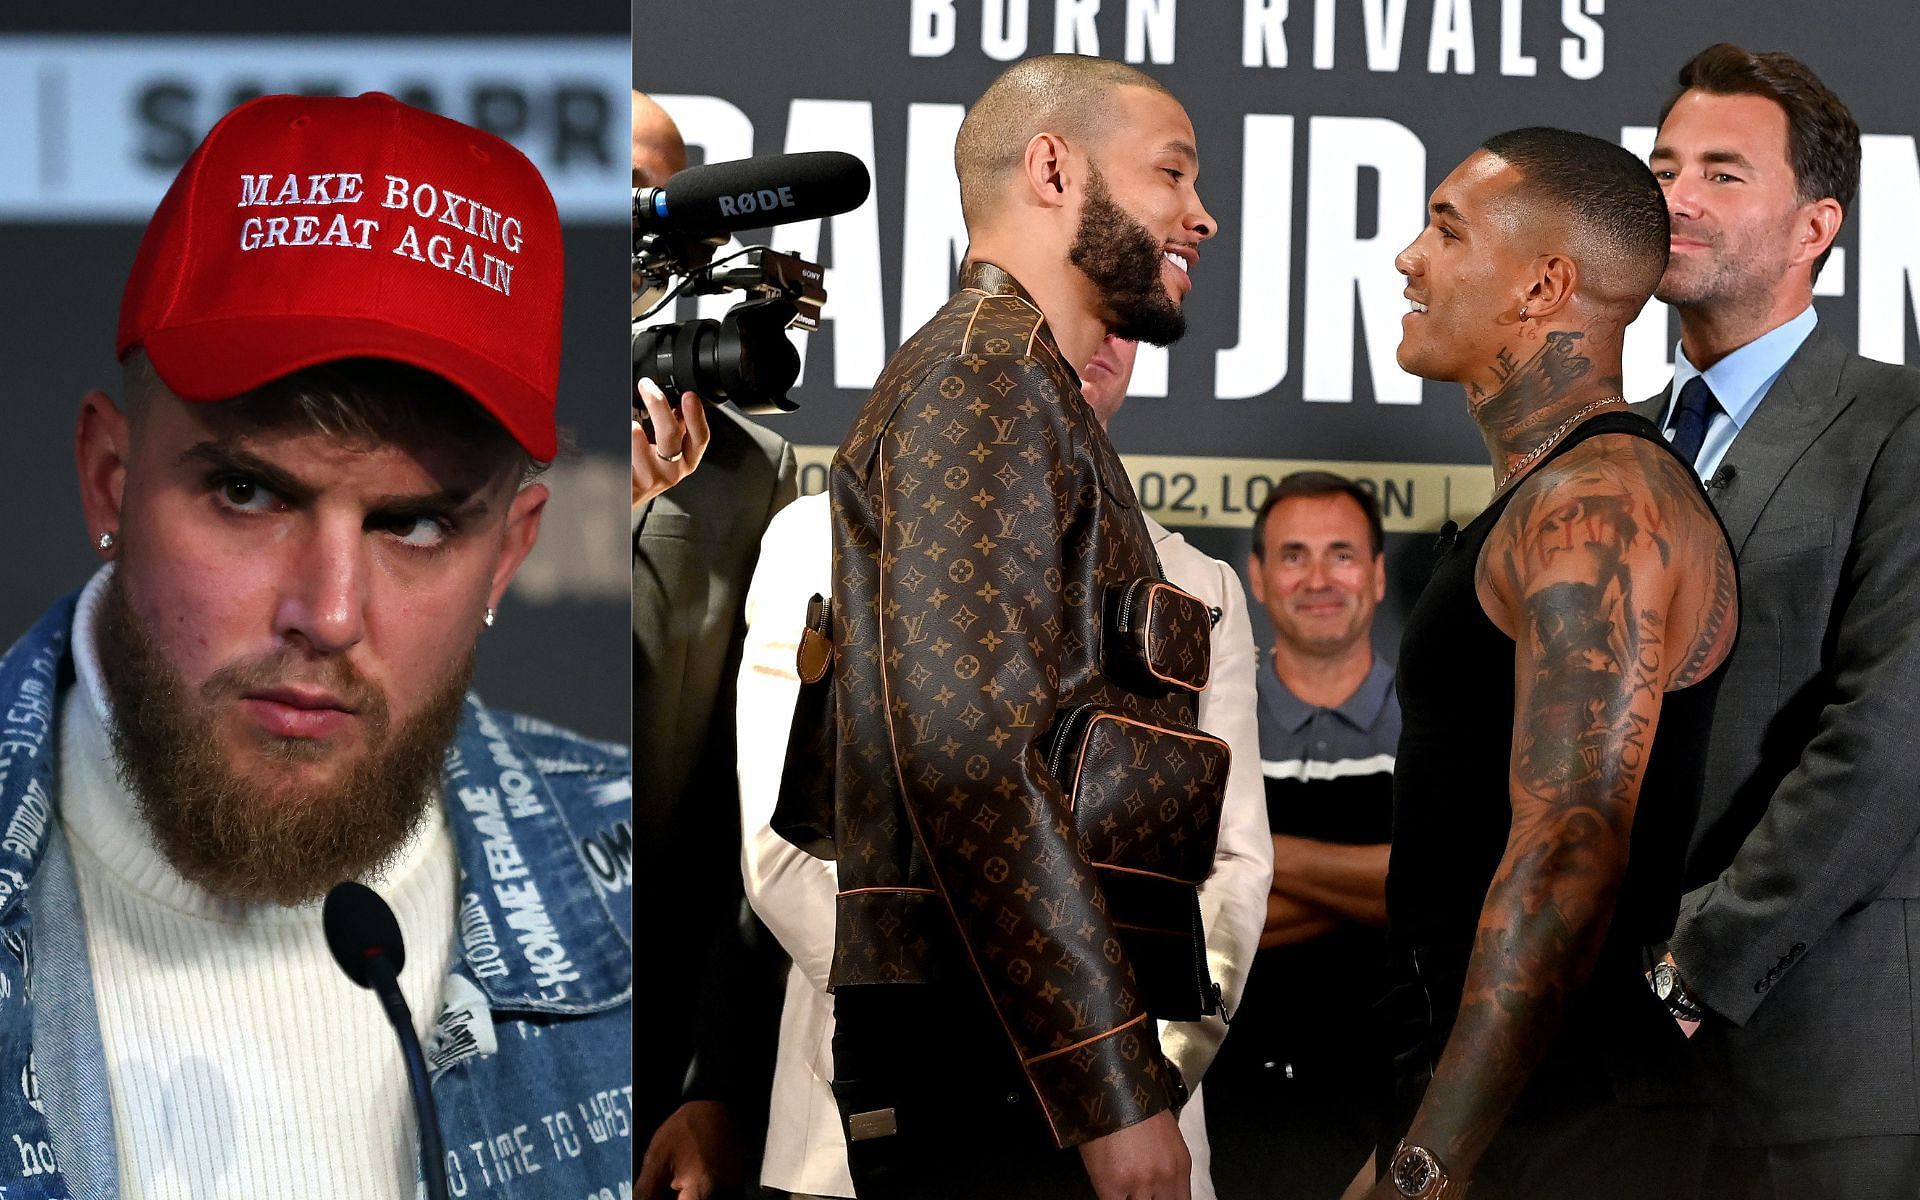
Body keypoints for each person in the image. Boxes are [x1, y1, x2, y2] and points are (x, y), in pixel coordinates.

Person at [0, 92, 632, 1199]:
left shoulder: (638, 869)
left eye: (416, 523)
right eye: (247, 493)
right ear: (111, 476)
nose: (329, 615)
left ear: (508, 554)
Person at [737, 334, 1270, 1200]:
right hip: (877, 1130)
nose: (1103, 338)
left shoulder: (1197, 581)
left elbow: (1233, 868)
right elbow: (784, 847)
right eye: (1070, 303)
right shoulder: (819, 537)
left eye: (1120, 313)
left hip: (1142, 1142)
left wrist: (1138, 1076)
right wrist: (1016, 1056)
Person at [820, 53, 1217, 1199]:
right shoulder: (984, 381)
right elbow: (971, 757)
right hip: (991, 1049)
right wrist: (1104, 1082)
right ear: (1052, 167)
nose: (1200, 213)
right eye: (1170, 173)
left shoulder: (1025, 386)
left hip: (1001, 1031)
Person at [1371, 126, 1739, 1200]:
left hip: (1564, 1126)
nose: (1409, 258)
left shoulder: (1598, 506)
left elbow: (1566, 857)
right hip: (1508, 1108)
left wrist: (1428, 1167)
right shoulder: (1560, 494)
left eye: (1445, 228)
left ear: (1545, 283)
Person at [1635, 44, 1920, 1199]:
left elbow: (1888, 733)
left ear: (1816, 228)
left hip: (1826, 1071)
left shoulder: (1897, 426)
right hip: (1624, 1080)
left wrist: (1700, 966)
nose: (1675, 198)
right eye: (1660, 168)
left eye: (1721, 173)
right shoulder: (1621, 441)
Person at [629, 89, 800, 1200]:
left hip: (650, 1020)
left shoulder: (749, 473)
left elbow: (757, 800)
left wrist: (719, 1077)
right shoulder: (433, 435)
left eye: (663, 213)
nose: (639, 240)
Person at [1206, 472, 1397, 1200]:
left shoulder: (1440, 728)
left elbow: (1452, 894)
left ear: (1378, 574)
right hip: (1214, 1112)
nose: (1319, 579)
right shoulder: (1208, 726)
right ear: (1256, 576)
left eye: (1341, 554)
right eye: (1294, 555)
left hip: (1388, 1118)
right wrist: (1378, 890)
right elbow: (1181, 912)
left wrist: (1247, 864)